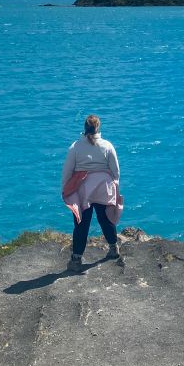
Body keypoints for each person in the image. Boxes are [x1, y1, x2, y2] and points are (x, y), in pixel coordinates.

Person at [61, 114, 122, 273]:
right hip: (103, 188)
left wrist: (65, 190)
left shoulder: (75, 147)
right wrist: (114, 186)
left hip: (83, 190)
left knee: (81, 224)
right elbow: (115, 171)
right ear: (98, 128)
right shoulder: (107, 145)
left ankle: (76, 260)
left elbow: (67, 171)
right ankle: (113, 248)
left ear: (84, 128)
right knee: (106, 218)